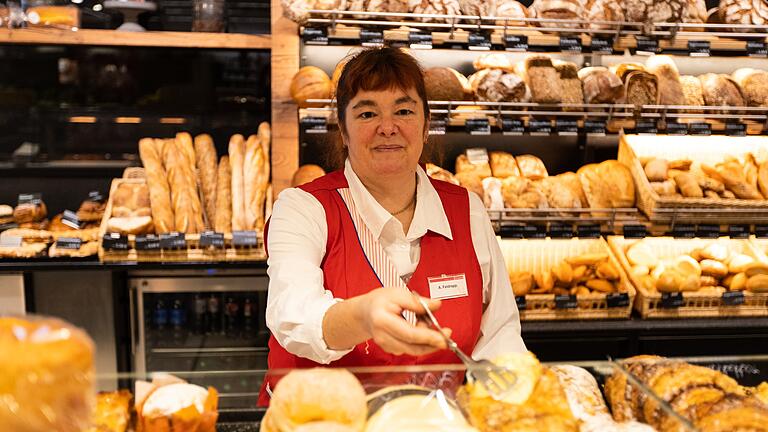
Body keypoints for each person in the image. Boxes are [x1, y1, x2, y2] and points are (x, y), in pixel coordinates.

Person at [259, 47, 525, 404]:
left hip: (434, 423)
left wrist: (510, 407)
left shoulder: (468, 210)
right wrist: (361, 317)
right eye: (367, 113)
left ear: (426, 124)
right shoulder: (304, 208)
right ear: (344, 129)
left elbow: (499, 335)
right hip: (323, 423)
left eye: (403, 110)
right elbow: (292, 313)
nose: (388, 127)